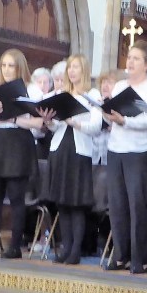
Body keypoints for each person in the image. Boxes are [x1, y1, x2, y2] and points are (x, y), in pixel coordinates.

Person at [104, 40, 147, 274]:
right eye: (129, 57)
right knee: (117, 204)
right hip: (116, 148)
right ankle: (121, 255)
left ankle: (140, 258)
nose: (130, 62)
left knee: (137, 204)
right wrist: (108, 114)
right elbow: (111, 113)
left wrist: (125, 121)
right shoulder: (121, 85)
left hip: (140, 151)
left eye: (136, 59)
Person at [0, 48, 45, 259]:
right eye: (3, 65)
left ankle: (14, 246)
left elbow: (39, 123)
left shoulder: (32, 90)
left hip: (18, 143)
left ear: (20, 68)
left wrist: (14, 119)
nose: (6, 70)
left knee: (16, 198)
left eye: (11, 66)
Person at [40, 54, 103, 265]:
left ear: (84, 70)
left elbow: (96, 127)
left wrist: (75, 122)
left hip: (79, 151)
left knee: (76, 203)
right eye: (70, 67)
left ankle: (76, 250)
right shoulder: (61, 94)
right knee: (62, 203)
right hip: (59, 149)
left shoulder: (92, 95)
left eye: (76, 67)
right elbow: (56, 126)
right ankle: (65, 247)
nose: (72, 71)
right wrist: (49, 121)